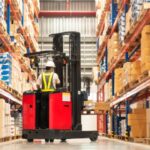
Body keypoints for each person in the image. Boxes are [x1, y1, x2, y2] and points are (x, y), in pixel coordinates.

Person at [36, 60, 60, 129]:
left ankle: (43, 126)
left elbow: (37, 84)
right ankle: (52, 124)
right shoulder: (54, 75)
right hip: (52, 95)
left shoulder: (41, 75)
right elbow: (58, 82)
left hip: (43, 94)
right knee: (52, 109)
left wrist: (40, 89)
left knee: (43, 110)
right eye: (53, 68)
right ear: (52, 68)